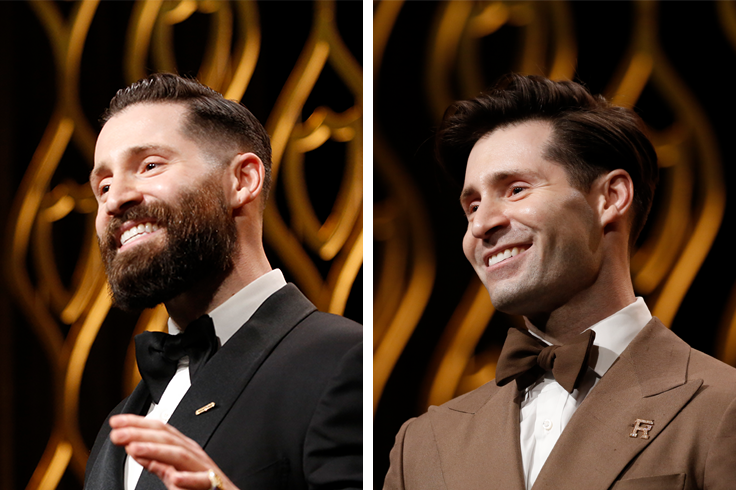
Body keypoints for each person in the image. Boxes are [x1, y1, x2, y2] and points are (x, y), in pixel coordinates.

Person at [383, 74, 736, 490]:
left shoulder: (722, 405)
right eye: (472, 205)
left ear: (610, 198)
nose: (480, 224)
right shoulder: (422, 444)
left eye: (515, 189)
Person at [84, 73, 362, 490]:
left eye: (150, 165)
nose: (115, 198)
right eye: (102, 186)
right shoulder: (118, 423)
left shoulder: (344, 358)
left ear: (242, 181)